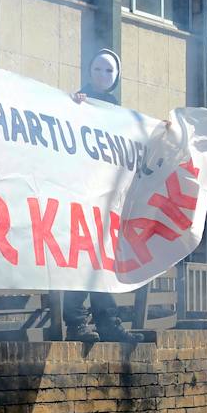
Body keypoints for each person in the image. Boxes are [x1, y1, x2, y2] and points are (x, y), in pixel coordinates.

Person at [64, 48, 145, 344]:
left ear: (116, 77)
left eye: (108, 71)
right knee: (79, 260)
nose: (102, 75)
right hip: (80, 195)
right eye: (97, 69)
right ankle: (76, 322)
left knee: (102, 261)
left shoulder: (118, 114)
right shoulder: (76, 102)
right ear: (88, 72)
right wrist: (73, 107)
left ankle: (108, 322)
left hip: (106, 198)